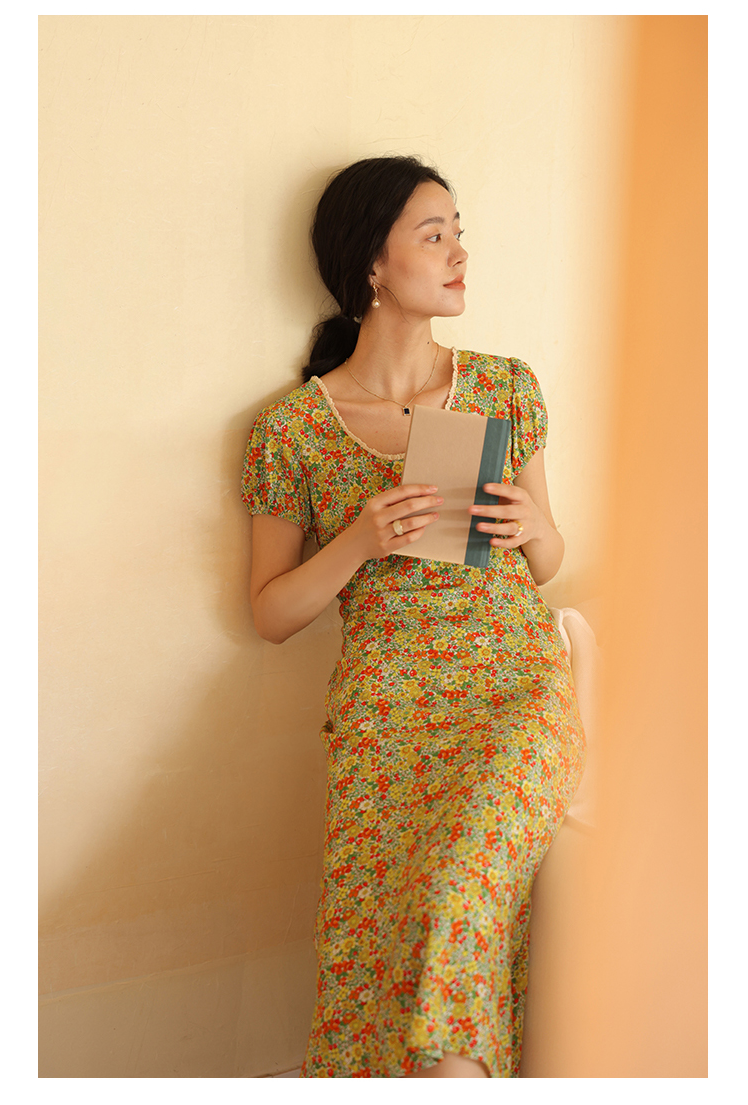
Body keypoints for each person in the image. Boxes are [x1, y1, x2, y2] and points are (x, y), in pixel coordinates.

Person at [241, 155, 585, 1078]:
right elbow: (270, 613)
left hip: (513, 687)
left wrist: (535, 526)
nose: (459, 252)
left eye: (458, 232)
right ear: (372, 265)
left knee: (461, 882)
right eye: (435, 236)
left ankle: (453, 1073)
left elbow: (549, 562)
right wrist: (359, 540)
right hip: (386, 713)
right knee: (371, 942)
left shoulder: (506, 386)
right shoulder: (293, 431)